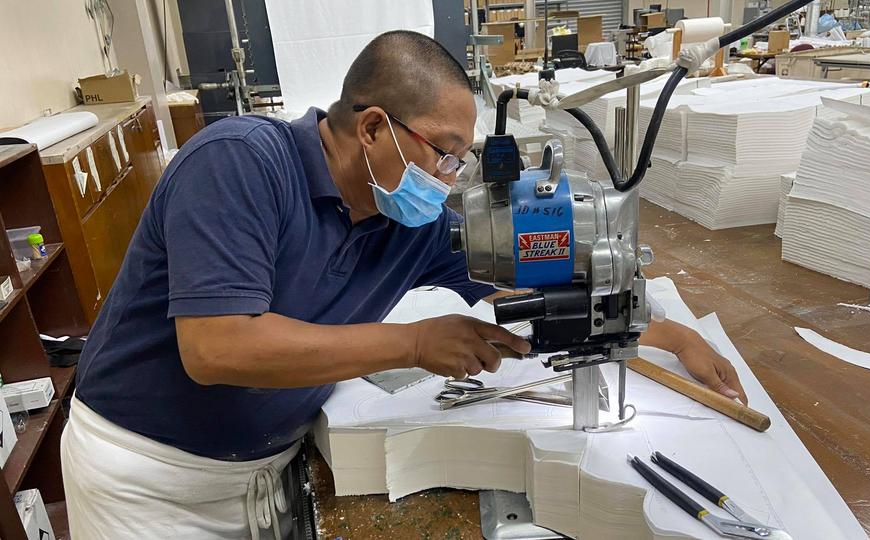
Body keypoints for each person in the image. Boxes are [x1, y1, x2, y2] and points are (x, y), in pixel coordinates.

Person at [61, 30, 746, 539]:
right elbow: (218, 348)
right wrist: (414, 344)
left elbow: (520, 289)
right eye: (444, 153)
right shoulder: (239, 164)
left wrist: (664, 334)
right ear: (372, 128)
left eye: (460, 160)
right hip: (149, 483)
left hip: (267, 470)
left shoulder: (406, 223)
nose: (449, 177)